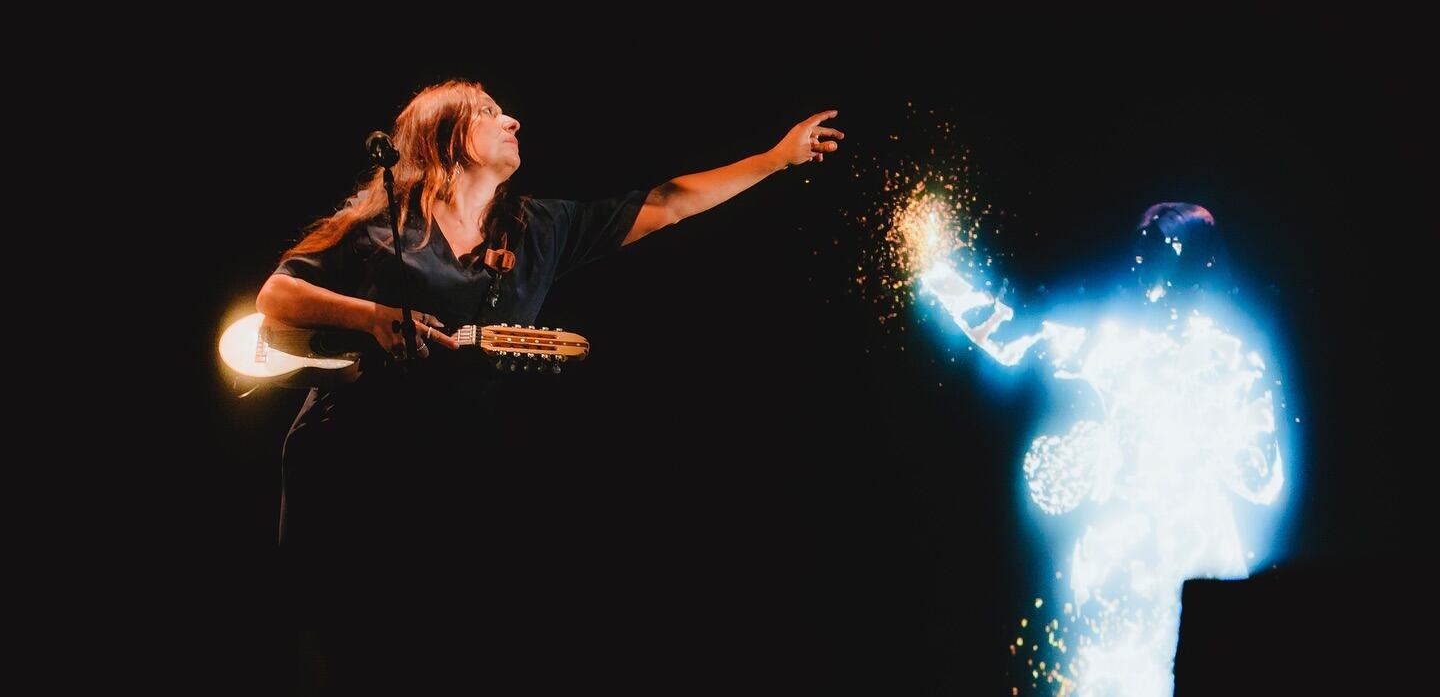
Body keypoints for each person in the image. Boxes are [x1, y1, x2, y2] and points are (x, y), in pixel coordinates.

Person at [256, 79, 841, 683]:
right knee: (324, 649)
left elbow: (668, 202)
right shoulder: (383, 222)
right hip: (345, 467)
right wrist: (372, 317)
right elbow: (276, 295)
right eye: (487, 112)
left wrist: (775, 159)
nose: (512, 120)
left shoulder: (537, 230)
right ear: (445, 134)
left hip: (444, 482)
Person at [918, 202, 1284, 697]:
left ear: (1196, 263)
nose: (1142, 264)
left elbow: (1262, 480)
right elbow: (1013, 336)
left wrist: (1207, 413)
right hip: (1124, 589)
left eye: (1157, 250)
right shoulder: (1122, 345)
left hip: (1187, 577)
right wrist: (939, 273)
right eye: (1141, 250)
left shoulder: (1225, 361)